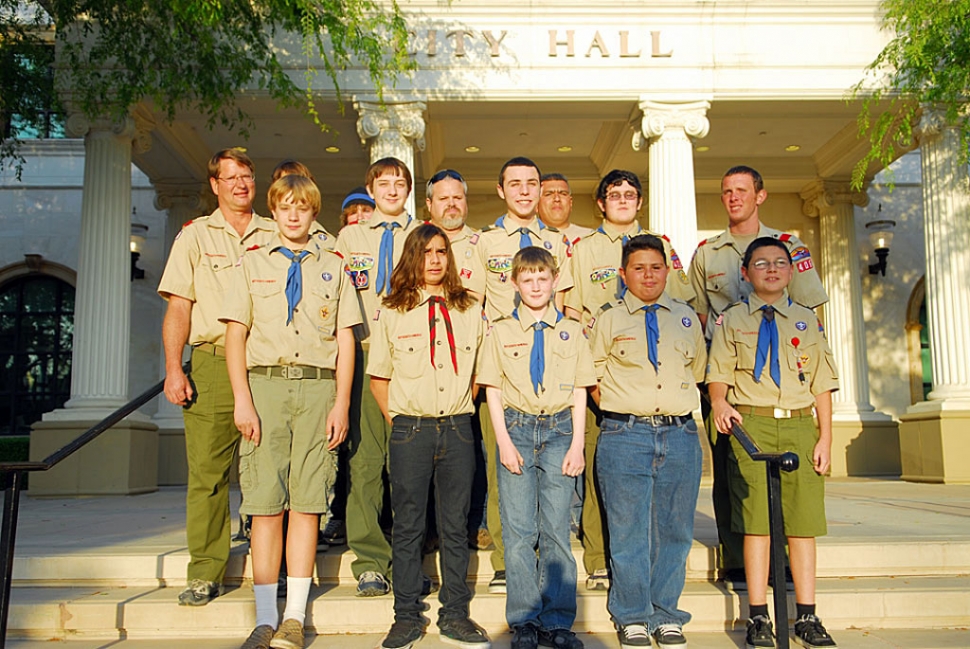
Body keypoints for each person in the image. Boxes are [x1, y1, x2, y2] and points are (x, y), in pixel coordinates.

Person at [223, 174, 357, 649]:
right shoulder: (251, 263)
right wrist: (242, 398)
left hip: (318, 390)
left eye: (302, 207)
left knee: (306, 504)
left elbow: (344, 339)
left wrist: (341, 402)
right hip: (265, 388)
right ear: (273, 212)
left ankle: (295, 618)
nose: (294, 215)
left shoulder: (334, 266)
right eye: (284, 207)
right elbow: (235, 336)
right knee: (264, 506)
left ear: (313, 211)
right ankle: (264, 619)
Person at [688, 165, 828, 588]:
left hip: (782, 378)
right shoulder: (707, 253)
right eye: (727, 191)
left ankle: (782, 559)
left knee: (791, 478)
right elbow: (696, 314)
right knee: (731, 471)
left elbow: (809, 312)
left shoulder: (789, 246)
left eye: (742, 190)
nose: (733, 197)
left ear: (760, 196)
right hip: (723, 375)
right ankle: (737, 557)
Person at [563, 169, 694, 591]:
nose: (622, 199)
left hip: (652, 382)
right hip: (601, 374)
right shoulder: (582, 249)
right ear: (601, 203)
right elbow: (572, 311)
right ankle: (600, 556)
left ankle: (653, 570)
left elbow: (683, 307)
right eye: (614, 194)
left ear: (640, 202)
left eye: (630, 194)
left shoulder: (662, 248)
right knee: (603, 473)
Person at [158, 147, 276, 607]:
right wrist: (173, 368)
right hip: (210, 361)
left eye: (247, 176)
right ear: (215, 185)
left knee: (267, 472)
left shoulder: (276, 231)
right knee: (207, 473)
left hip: (264, 363)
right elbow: (179, 307)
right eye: (231, 178)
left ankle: (272, 568)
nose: (241, 185)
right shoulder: (194, 237)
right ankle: (205, 569)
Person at [707, 236, 839, 649]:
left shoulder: (806, 319)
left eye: (779, 263)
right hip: (753, 425)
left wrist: (825, 439)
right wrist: (718, 403)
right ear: (745, 273)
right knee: (757, 524)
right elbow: (718, 375)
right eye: (761, 264)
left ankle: (807, 615)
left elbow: (822, 384)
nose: (771, 270)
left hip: (799, 425)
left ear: (790, 270)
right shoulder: (732, 319)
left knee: (802, 526)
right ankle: (758, 616)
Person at [368, 224, 490, 649]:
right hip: (410, 430)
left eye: (441, 251)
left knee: (456, 526)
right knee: (409, 527)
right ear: (412, 258)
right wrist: (403, 423)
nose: (435, 259)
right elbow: (379, 378)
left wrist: (454, 409)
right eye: (426, 252)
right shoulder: (392, 310)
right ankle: (405, 617)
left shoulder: (470, 308)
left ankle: (455, 614)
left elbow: (478, 372)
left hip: (457, 428)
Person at [588, 234, 706, 648]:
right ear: (623, 274)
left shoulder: (686, 318)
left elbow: (698, 371)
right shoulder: (608, 318)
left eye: (656, 267)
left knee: (674, 529)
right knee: (628, 530)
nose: (648, 275)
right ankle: (633, 615)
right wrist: (627, 410)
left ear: (667, 270)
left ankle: (666, 613)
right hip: (626, 435)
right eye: (638, 268)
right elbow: (594, 378)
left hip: (680, 434)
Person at [478, 246, 594, 649]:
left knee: (557, 530)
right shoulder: (500, 330)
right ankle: (525, 619)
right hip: (517, 429)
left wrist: (577, 443)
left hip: (561, 429)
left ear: (555, 280)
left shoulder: (573, 331)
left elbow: (580, 390)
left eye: (542, 278)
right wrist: (504, 444)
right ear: (514, 283)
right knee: (519, 530)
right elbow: (492, 391)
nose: (535, 286)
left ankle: (558, 620)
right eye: (527, 279)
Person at [467, 156, 575, 594]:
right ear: (501, 191)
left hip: (553, 371)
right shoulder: (485, 241)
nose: (525, 191)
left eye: (532, 183)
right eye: (515, 184)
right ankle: (504, 559)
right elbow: (473, 304)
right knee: (504, 467)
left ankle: (550, 565)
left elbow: (566, 305)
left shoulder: (560, 242)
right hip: (504, 369)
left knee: (552, 475)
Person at [335, 157, 420, 596]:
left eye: (399, 183)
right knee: (365, 461)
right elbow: (337, 297)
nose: (391, 189)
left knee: (408, 464)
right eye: (383, 183)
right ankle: (369, 559)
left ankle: (410, 557)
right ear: (370, 188)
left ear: (409, 189)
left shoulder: (423, 235)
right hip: (367, 354)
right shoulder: (350, 237)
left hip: (412, 361)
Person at [425, 168, 490, 550]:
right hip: (427, 366)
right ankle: (432, 528)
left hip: (474, 365)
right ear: (430, 204)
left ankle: (474, 524)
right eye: (443, 198)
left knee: (475, 451)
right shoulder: (413, 244)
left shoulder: (482, 246)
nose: (451, 204)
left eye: (458, 197)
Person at [537, 173, 591, 247]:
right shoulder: (528, 238)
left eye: (563, 194)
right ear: (536, 204)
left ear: (570, 202)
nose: (557, 199)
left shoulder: (589, 237)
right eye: (549, 194)